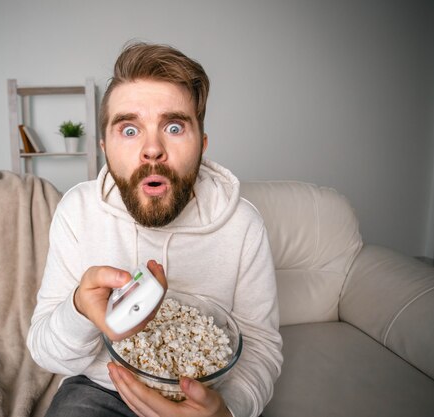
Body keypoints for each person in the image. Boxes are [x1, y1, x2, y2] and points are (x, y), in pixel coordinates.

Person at [27, 41, 282, 417]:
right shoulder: (77, 211)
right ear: (105, 149)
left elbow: (260, 348)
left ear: (202, 145)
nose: (152, 149)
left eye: (174, 126)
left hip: (205, 392)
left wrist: (227, 411)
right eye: (129, 130)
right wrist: (81, 308)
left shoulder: (243, 224)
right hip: (103, 388)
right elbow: (45, 351)